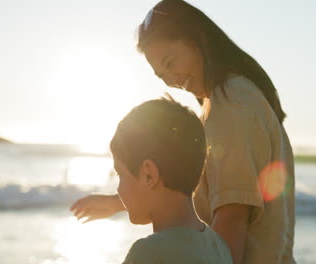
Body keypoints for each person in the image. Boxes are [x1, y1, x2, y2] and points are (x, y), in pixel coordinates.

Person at [71, 0, 296, 263]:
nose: (171, 79)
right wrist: (118, 202)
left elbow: (232, 219)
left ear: (196, 38)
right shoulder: (232, 97)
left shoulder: (231, 105)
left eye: (170, 62)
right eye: (161, 74)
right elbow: (184, 186)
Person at [111, 98, 232, 263]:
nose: (118, 189)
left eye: (120, 174)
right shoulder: (219, 246)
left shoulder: (148, 254)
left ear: (149, 175)